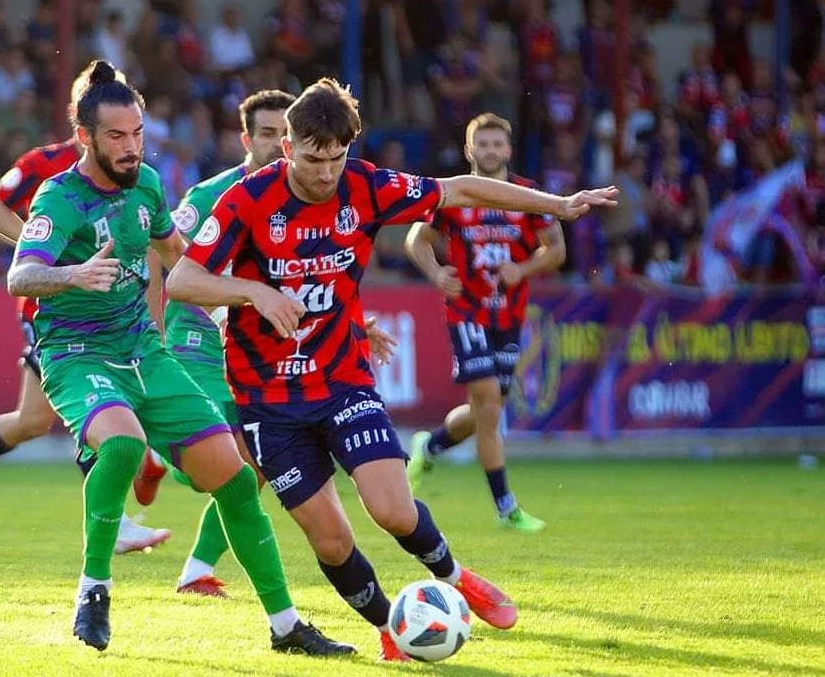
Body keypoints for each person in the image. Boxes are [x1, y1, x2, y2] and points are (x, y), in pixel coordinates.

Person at [165, 78, 618, 661]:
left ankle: (458, 579)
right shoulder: (246, 200)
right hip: (266, 400)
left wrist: (555, 204)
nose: (326, 173)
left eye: (336, 158)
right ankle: (392, 627)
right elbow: (181, 281)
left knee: (393, 510)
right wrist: (254, 292)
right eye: (312, 158)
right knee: (331, 539)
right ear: (287, 149)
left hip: (341, 379)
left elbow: (459, 190)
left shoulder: (367, 186)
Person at [7, 60, 354, 656]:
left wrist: (245, 294)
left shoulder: (146, 184)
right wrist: (73, 274)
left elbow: (175, 249)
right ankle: (93, 590)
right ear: (85, 136)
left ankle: (285, 627)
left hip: (146, 349)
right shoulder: (60, 198)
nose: (131, 146)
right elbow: (21, 275)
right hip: (76, 354)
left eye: (138, 133)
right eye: (117, 136)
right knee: (119, 446)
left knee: (240, 482)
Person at [134, 89, 399, 599]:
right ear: (249, 139)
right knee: (225, 461)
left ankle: (195, 568)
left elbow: (309, 281)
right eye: (264, 132)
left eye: (284, 129)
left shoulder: (308, 195)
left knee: (251, 465)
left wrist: (355, 326)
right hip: (200, 339)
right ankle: (158, 460)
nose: (277, 139)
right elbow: (165, 259)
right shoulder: (214, 195)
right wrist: (155, 331)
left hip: (261, 352)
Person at [0, 63, 169, 554]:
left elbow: (154, 253)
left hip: (112, 311)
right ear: (82, 120)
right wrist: (36, 251)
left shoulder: (134, 179)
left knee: (32, 420)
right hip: (51, 306)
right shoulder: (45, 165)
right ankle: (113, 517)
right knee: (86, 401)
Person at [404, 112, 566, 533]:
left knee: (484, 412)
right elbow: (415, 239)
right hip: (467, 313)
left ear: (508, 151)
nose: (491, 150)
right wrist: (437, 273)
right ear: (469, 150)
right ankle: (506, 508)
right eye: (483, 143)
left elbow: (556, 248)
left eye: (498, 144)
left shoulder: (527, 195)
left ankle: (431, 444)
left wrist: (523, 270)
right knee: (490, 405)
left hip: (508, 318)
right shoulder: (455, 196)